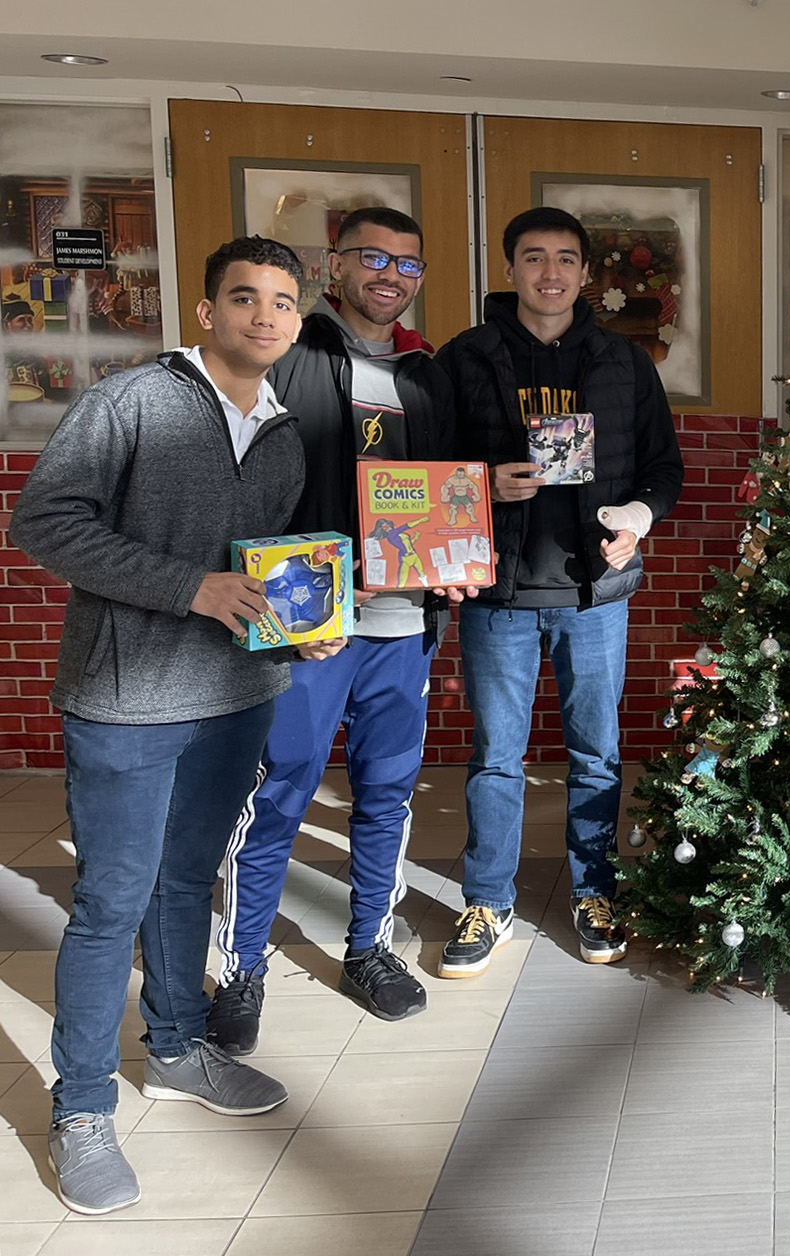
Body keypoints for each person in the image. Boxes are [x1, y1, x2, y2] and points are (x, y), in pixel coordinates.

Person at [12, 237, 343, 1215]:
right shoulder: (131, 403)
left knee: (188, 881)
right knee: (111, 901)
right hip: (126, 699)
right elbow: (44, 521)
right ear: (206, 311)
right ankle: (81, 1108)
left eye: (281, 302)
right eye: (244, 297)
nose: (264, 316)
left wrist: (301, 629)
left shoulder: (283, 429)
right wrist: (190, 587)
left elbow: (262, 566)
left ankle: (176, 1048)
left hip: (235, 697)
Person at [207, 207, 464, 1054]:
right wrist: (284, 616)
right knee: (279, 791)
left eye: (407, 264)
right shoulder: (290, 351)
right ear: (336, 265)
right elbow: (245, 488)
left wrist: (459, 553)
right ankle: (241, 968)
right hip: (309, 629)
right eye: (372, 258)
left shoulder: (428, 372)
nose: (389, 276)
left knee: (386, 793)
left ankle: (369, 948)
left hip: (403, 622)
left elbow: (444, 492)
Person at [435, 206, 682, 976]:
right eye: (535, 257)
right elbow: (424, 471)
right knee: (495, 758)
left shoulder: (624, 361)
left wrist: (636, 519)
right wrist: (481, 486)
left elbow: (662, 468)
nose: (551, 273)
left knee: (598, 755)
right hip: (498, 594)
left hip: (595, 593)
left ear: (585, 274)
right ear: (509, 269)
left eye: (566, 259)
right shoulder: (463, 358)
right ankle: (488, 901)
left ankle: (594, 891)